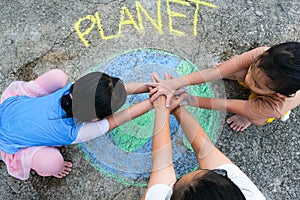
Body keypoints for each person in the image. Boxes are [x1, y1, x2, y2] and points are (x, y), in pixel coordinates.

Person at [0, 69, 152, 180]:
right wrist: (154, 101)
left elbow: (117, 90)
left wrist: (152, 86)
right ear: (95, 119)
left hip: (11, 109)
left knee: (58, 76)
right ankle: (47, 169)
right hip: (7, 141)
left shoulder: (72, 91)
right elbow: (122, 117)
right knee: (53, 163)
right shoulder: (76, 132)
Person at [143, 73, 266, 200]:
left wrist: (162, 107)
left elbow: (161, 166)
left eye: (173, 185)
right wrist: (177, 108)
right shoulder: (249, 194)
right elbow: (205, 150)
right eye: (216, 173)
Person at [148, 42, 300, 131]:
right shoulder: (262, 55)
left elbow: (225, 104)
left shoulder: (274, 105)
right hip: (265, 86)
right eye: (252, 70)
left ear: (279, 93)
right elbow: (217, 71)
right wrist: (174, 83)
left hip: (266, 106)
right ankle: (244, 77)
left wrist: (188, 100)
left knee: (258, 117)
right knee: (234, 67)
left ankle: (247, 116)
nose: (248, 79)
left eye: (256, 83)